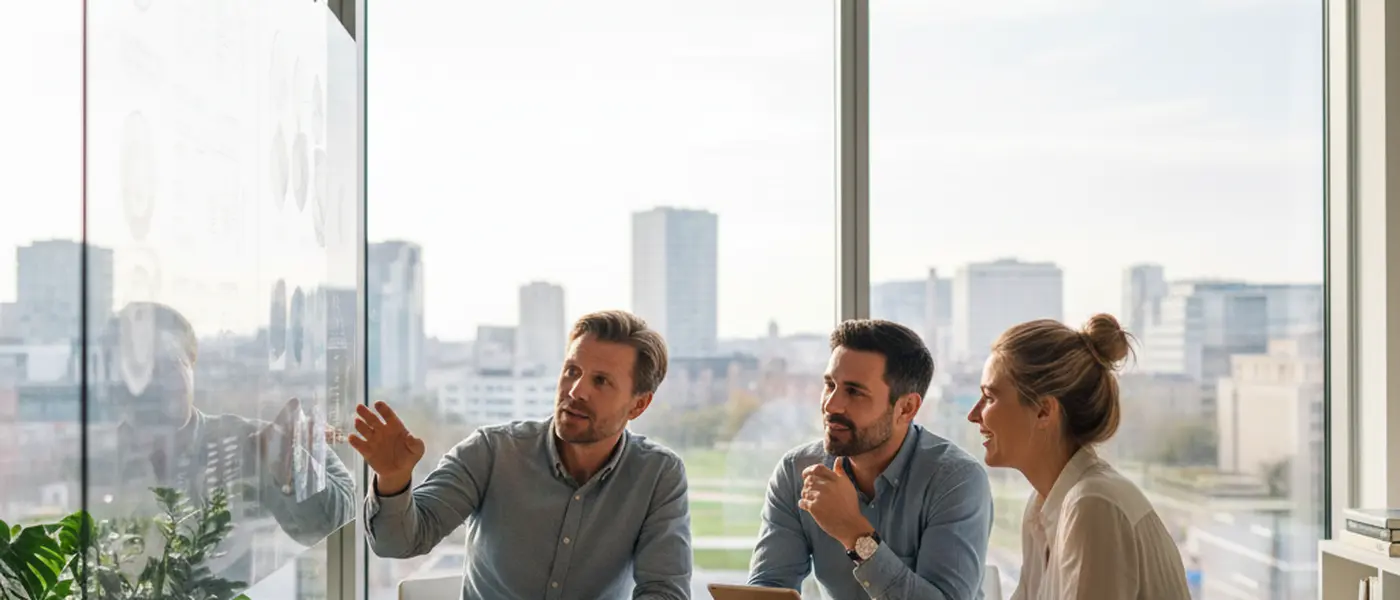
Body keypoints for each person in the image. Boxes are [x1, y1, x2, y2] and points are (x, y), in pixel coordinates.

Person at [355, 310, 691, 600]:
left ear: (638, 404)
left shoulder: (658, 475)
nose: (576, 391)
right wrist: (393, 481)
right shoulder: (491, 451)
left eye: (601, 381)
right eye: (572, 370)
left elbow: (665, 590)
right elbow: (397, 544)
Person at [98, 301, 356, 576]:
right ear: (116, 386)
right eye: (141, 369)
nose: (156, 383)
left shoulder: (254, 443)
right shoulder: (95, 464)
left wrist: (293, 467)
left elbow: (342, 521)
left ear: (192, 368)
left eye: (169, 365)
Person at [748, 319, 993, 599]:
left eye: (854, 392)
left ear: (906, 408)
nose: (831, 405)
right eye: (830, 385)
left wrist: (855, 533)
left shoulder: (955, 480)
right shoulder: (797, 471)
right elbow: (768, 586)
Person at [966, 314, 1191, 599]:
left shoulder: (1092, 505)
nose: (974, 415)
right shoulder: (1041, 509)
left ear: (1044, 411)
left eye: (989, 397)